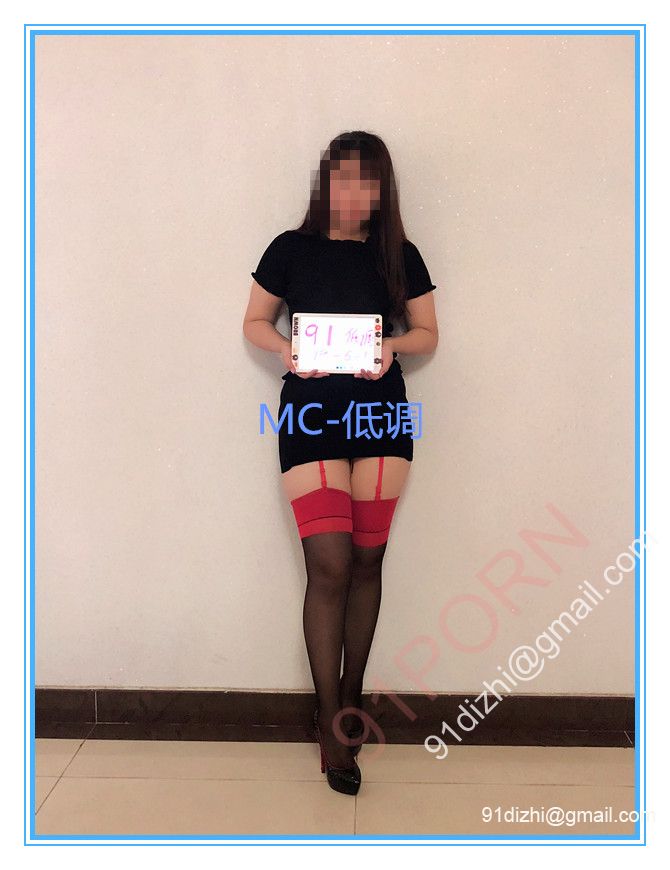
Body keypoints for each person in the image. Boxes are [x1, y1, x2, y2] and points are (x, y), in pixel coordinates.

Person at [242, 131, 439, 794]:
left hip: (381, 417)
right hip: (309, 418)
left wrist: (393, 347)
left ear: (383, 191)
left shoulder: (398, 254)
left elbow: (428, 333)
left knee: (366, 561)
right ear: (324, 182)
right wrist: (285, 350)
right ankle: (330, 722)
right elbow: (254, 322)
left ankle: (351, 701)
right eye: (343, 178)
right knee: (328, 566)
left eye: (368, 182)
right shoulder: (289, 249)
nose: (354, 193)